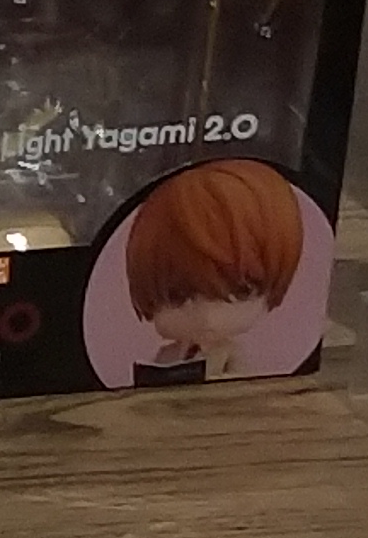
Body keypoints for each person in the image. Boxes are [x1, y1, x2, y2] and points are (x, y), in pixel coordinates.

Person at [117, 159, 306, 384]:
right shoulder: (168, 354)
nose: (208, 318)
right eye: (178, 296)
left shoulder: (232, 356)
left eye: (242, 291)